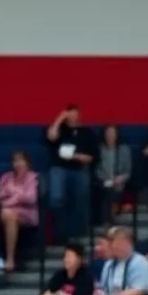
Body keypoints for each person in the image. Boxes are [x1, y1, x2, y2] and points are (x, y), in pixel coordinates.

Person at [45, 104, 96, 244]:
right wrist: (59, 119)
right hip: (59, 168)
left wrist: (79, 157)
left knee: (81, 197)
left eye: (75, 114)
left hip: (79, 169)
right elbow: (51, 137)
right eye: (70, 114)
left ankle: (80, 233)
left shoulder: (87, 132)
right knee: (57, 198)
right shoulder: (60, 130)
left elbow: (93, 156)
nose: (73, 117)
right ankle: (60, 235)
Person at [0, 151, 40, 273]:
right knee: (7, 214)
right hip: (6, 212)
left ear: (27, 163)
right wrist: (18, 196)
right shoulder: (6, 177)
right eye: (15, 161)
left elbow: (31, 198)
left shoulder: (33, 177)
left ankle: (10, 259)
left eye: (21, 160)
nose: (18, 164)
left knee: (8, 214)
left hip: (27, 214)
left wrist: (11, 197)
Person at [95, 124, 132, 222]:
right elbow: (97, 170)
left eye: (112, 133)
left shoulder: (124, 150)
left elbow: (128, 172)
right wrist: (106, 180)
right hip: (103, 183)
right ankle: (105, 221)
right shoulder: (99, 150)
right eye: (108, 133)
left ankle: (111, 220)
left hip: (119, 183)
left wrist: (120, 179)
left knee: (114, 192)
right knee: (104, 193)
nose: (110, 135)